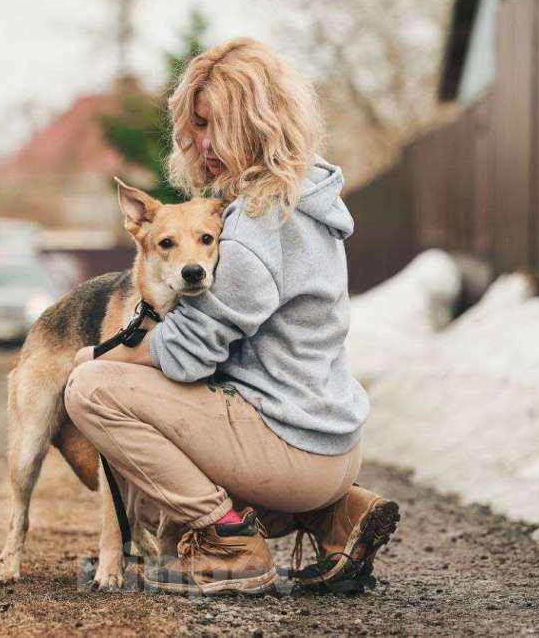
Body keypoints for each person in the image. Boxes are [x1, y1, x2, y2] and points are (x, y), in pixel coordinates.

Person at [64, 36, 399, 596]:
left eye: (214, 123)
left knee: (92, 389)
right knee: (160, 452)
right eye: (193, 126)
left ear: (259, 121)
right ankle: (333, 516)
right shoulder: (305, 198)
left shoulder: (257, 226)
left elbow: (186, 357)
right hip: (334, 445)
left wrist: (93, 354)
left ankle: (231, 543)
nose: (202, 142)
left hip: (294, 449)